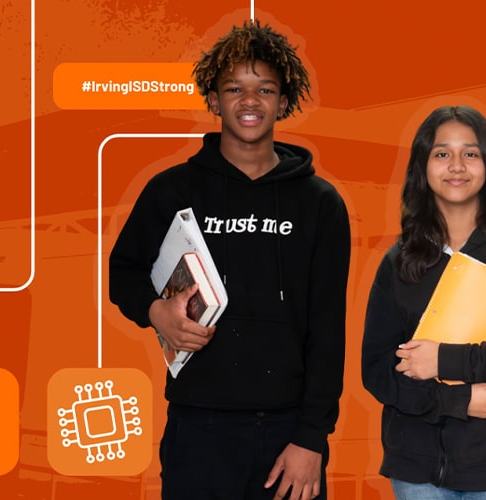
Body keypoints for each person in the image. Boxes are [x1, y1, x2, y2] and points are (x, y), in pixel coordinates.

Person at [108, 20, 350, 500]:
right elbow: (123, 273)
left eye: (265, 89)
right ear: (214, 101)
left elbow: (328, 328)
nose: (249, 101)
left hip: (288, 431)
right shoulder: (171, 190)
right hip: (198, 429)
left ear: (283, 102)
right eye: (234, 88)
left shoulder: (320, 204)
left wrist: (311, 438)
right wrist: (157, 312)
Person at [361, 106, 486, 499]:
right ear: (423, 166)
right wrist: (458, 400)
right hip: (417, 468)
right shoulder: (399, 261)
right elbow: (377, 370)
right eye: (442, 153)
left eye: (470, 153)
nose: (456, 166)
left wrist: (444, 360)